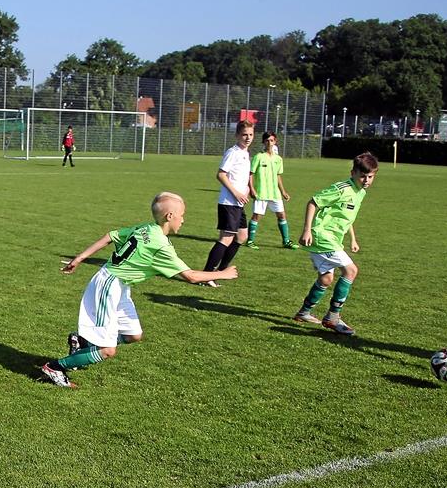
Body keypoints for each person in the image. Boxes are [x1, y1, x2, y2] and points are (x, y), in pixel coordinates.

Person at [40, 192, 239, 388]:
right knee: (108, 350)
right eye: (182, 215)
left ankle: (82, 343)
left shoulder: (146, 228)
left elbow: (110, 236)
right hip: (108, 285)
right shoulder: (160, 245)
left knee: (133, 335)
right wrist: (223, 273)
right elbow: (191, 276)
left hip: (120, 285)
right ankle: (55, 367)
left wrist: (80, 258)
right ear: (170, 216)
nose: (183, 220)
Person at [292, 152, 380, 335]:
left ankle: (304, 312)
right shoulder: (342, 189)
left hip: (332, 239)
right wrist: (307, 229)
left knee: (326, 278)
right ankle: (333, 317)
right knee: (351, 270)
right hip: (322, 237)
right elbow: (313, 202)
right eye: (362, 176)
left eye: (370, 177)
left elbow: (347, 218)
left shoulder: (360, 192)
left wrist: (353, 239)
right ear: (353, 173)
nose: (366, 180)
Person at [202, 120, 254, 286]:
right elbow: (221, 174)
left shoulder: (246, 153)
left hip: (238, 203)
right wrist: (237, 193)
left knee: (242, 236)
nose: (248, 138)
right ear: (237, 135)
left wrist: (247, 190)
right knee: (226, 238)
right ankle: (206, 275)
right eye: (244, 134)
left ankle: (220, 271)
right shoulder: (233, 152)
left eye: (251, 135)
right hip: (229, 202)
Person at [245, 131, 296, 250]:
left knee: (282, 216)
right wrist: (252, 189)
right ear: (263, 142)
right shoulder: (258, 157)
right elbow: (250, 174)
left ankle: (286, 241)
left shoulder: (278, 159)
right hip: (261, 193)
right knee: (256, 216)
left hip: (275, 194)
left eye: (272, 140)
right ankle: (250, 241)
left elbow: (278, 176)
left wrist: (283, 191)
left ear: (275, 142)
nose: (269, 143)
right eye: (267, 140)